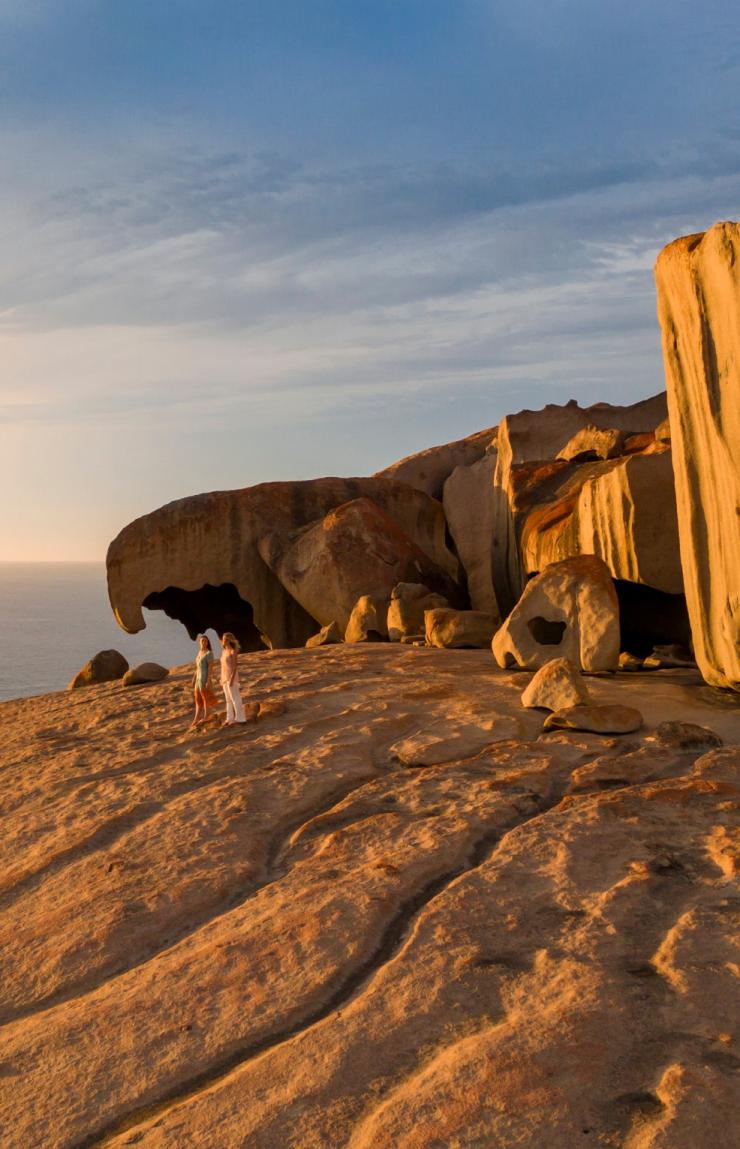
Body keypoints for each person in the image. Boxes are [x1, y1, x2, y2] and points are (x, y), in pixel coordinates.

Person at [220, 631, 246, 725]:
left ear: (231, 640)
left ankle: (240, 718)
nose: (225, 641)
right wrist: (221, 679)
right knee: (228, 699)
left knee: (235, 698)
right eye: (224, 639)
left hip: (232, 677)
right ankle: (229, 718)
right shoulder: (224, 651)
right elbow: (223, 666)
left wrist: (231, 679)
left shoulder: (233, 651)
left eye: (227, 639)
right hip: (224, 677)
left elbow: (235, 666)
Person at [190, 634, 216, 728]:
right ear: (199, 642)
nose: (204, 642)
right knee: (197, 699)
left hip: (204, 678)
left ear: (207, 643)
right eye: (202, 641)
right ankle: (196, 718)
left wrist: (208, 680)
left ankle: (206, 716)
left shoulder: (209, 653)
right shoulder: (200, 652)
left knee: (205, 698)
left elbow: (210, 668)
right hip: (198, 679)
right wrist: (194, 678)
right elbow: (197, 668)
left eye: (206, 641)